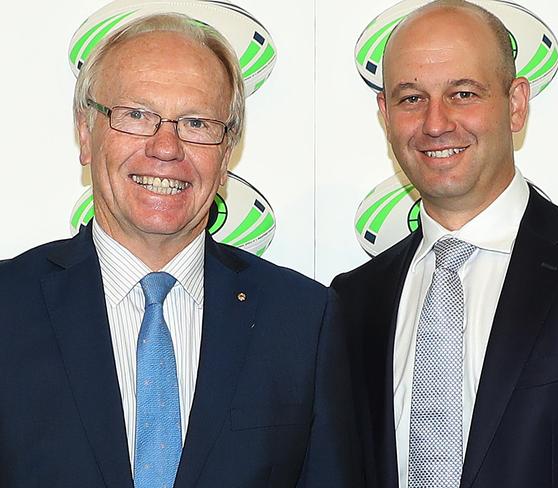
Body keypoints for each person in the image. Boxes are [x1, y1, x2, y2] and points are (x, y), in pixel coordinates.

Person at [0, 13, 361, 488]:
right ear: (86, 134)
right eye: (136, 115)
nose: (166, 147)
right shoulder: (8, 306)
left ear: (227, 148)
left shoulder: (303, 321)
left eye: (196, 122)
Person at [332, 1, 558, 487]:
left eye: (462, 93)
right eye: (411, 98)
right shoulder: (353, 300)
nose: (436, 123)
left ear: (516, 103)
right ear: (385, 114)